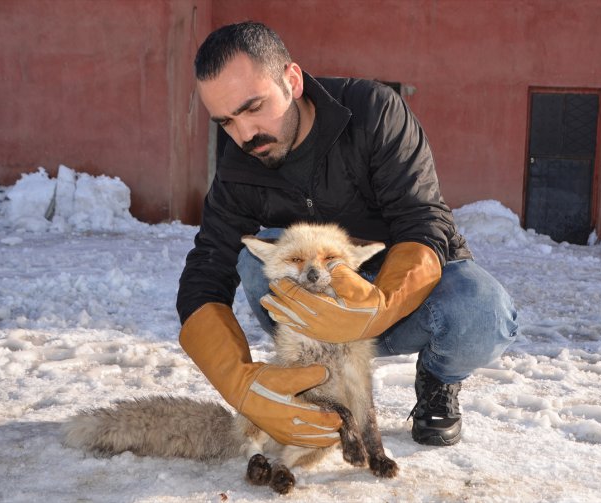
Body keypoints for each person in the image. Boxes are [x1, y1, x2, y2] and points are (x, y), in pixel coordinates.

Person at [177, 21, 517, 448]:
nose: (244, 134)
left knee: (484, 310)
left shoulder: (375, 111)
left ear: (293, 80)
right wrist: (238, 382)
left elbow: (424, 221)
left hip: (406, 303)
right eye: (225, 121)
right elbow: (207, 268)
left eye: (254, 107)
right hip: (312, 318)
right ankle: (311, 379)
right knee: (254, 259)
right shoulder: (240, 163)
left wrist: (378, 305)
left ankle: (438, 379)